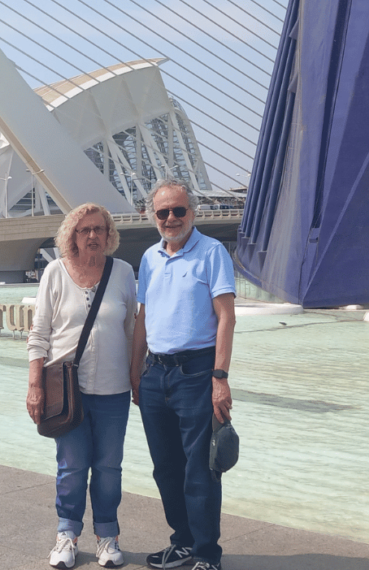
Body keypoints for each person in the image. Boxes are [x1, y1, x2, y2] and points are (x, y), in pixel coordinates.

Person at [129, 179, 236, 570]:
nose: (171, 218)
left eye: (178, 210)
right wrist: (134, 373)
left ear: (192, 212)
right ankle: (183, 541)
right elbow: (143, 319)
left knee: (200, 470)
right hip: (156, 375)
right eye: (163, 212)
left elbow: (226, 317)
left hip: (197, 373)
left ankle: (207, 554)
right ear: (152, 216)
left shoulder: (212, 253)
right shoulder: (150, 257)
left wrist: (220, 377)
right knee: (166, 468)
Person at [27, 203, 137, 569]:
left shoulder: (123, 273)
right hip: (66, 391)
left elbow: (132, 331)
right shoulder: (55, 274)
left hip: (114, 390)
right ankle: (67, 534)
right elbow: (39, 334)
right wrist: (35, 386)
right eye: (84, 230)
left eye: (99, 229)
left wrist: (137, 380)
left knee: (109, 467)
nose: (92, 236)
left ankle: (108, 536)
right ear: (72, 236)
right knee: (72, 466)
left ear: (109, 235)